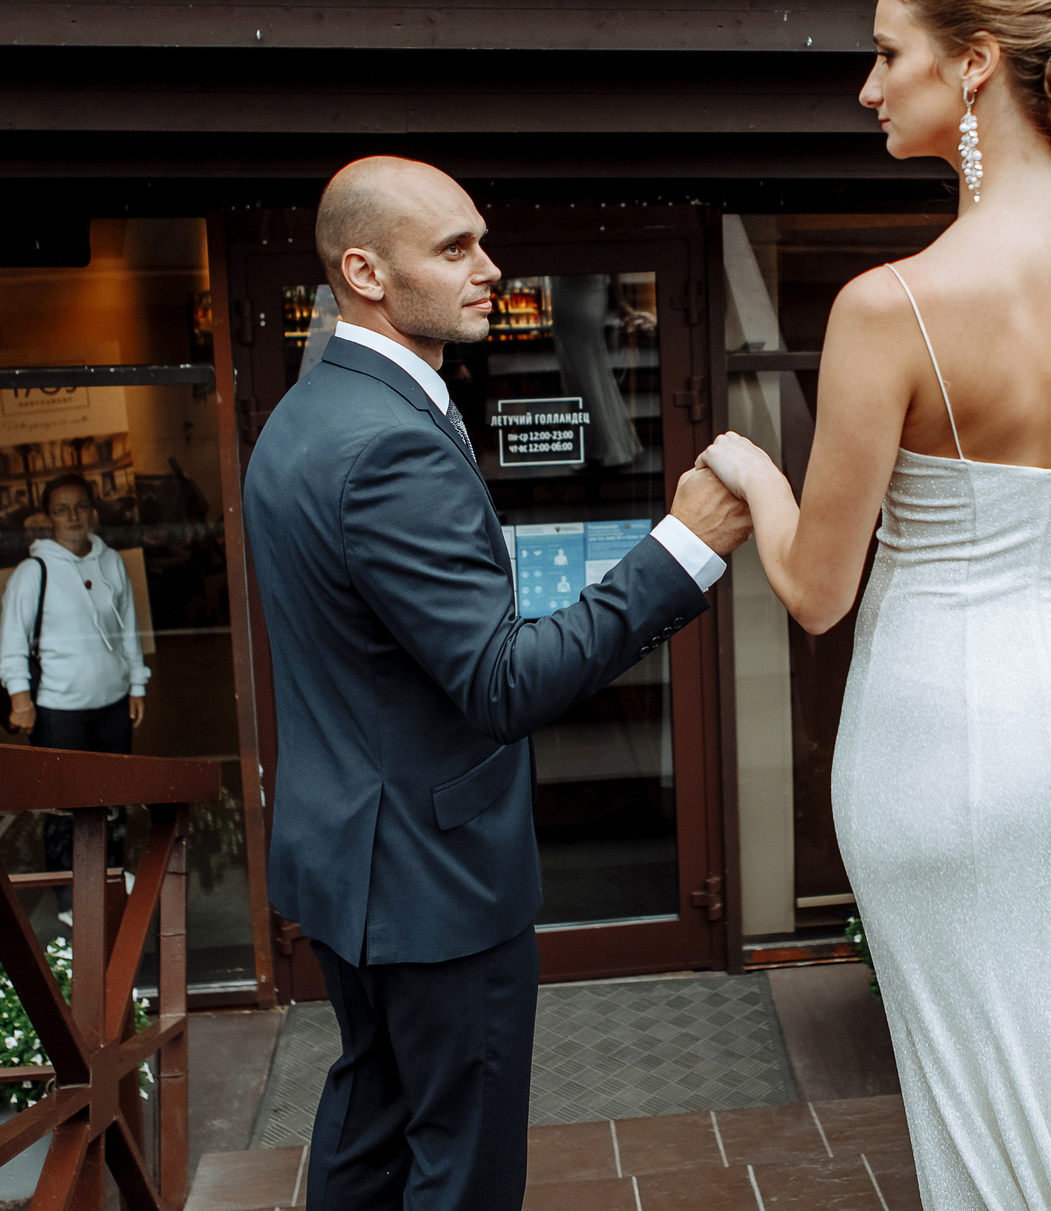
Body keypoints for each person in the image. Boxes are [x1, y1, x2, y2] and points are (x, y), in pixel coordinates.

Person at [697, 0, 1051, 1211]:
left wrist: (754, 467)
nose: (868, 85)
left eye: (889, 54)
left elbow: (817, 590)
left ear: (977, 59)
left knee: (974, 1093)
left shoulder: (893, 307)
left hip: (936, 742)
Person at [243, 156, 752, 1211]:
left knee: (371, 1116)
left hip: (350, 860)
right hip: (432, 882)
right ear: (365, 271)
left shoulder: (307, 410)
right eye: (455, 248)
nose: (491, 267)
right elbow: (501, 684)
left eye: (480, 239)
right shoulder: (389, 444)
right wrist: (680, 549)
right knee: (461, 1163)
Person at [0, 474, 150, 879]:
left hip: (113, 706)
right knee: (64, 806)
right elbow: (11, 642)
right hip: (58, 711)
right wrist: (21, 700)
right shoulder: (33, 572)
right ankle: (69, 891)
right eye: (62, 509)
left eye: (81, 506)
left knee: (113, 797)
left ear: (93, 511)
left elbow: (128, 629)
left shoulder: (111, 562)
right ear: (48, 517)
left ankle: (113, 874)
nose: (73, 516)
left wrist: (136, 683)